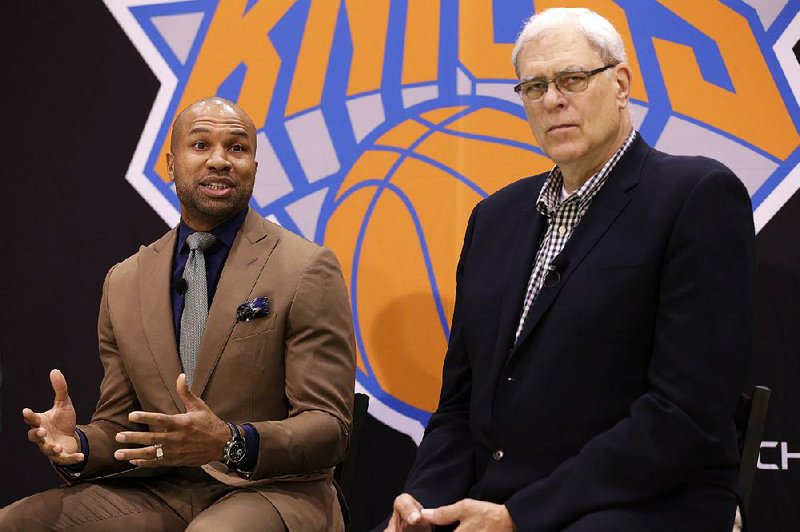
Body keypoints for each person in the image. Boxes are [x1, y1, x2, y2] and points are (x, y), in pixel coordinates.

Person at [385, 8, 755, 532]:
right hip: (497, 505)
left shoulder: (695, 197)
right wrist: (422, 504)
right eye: (534, 87)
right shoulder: (493, 218)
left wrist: (520, 515)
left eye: (573, 79)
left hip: (639, 505)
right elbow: (461, 406)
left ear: (621, 83)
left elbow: (683, 416)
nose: (553, 100)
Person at [0, 97, 356, 531]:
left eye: (237, 149)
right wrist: (77, 444)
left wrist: (229, 442)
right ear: (171, 164)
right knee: (18, 523)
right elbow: (122, 426)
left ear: (255, 169)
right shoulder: (124, 281)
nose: (220, 160)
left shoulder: (304, 267)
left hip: (273, 490)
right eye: (201, 145)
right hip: (162, 491)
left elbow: (328, 426)